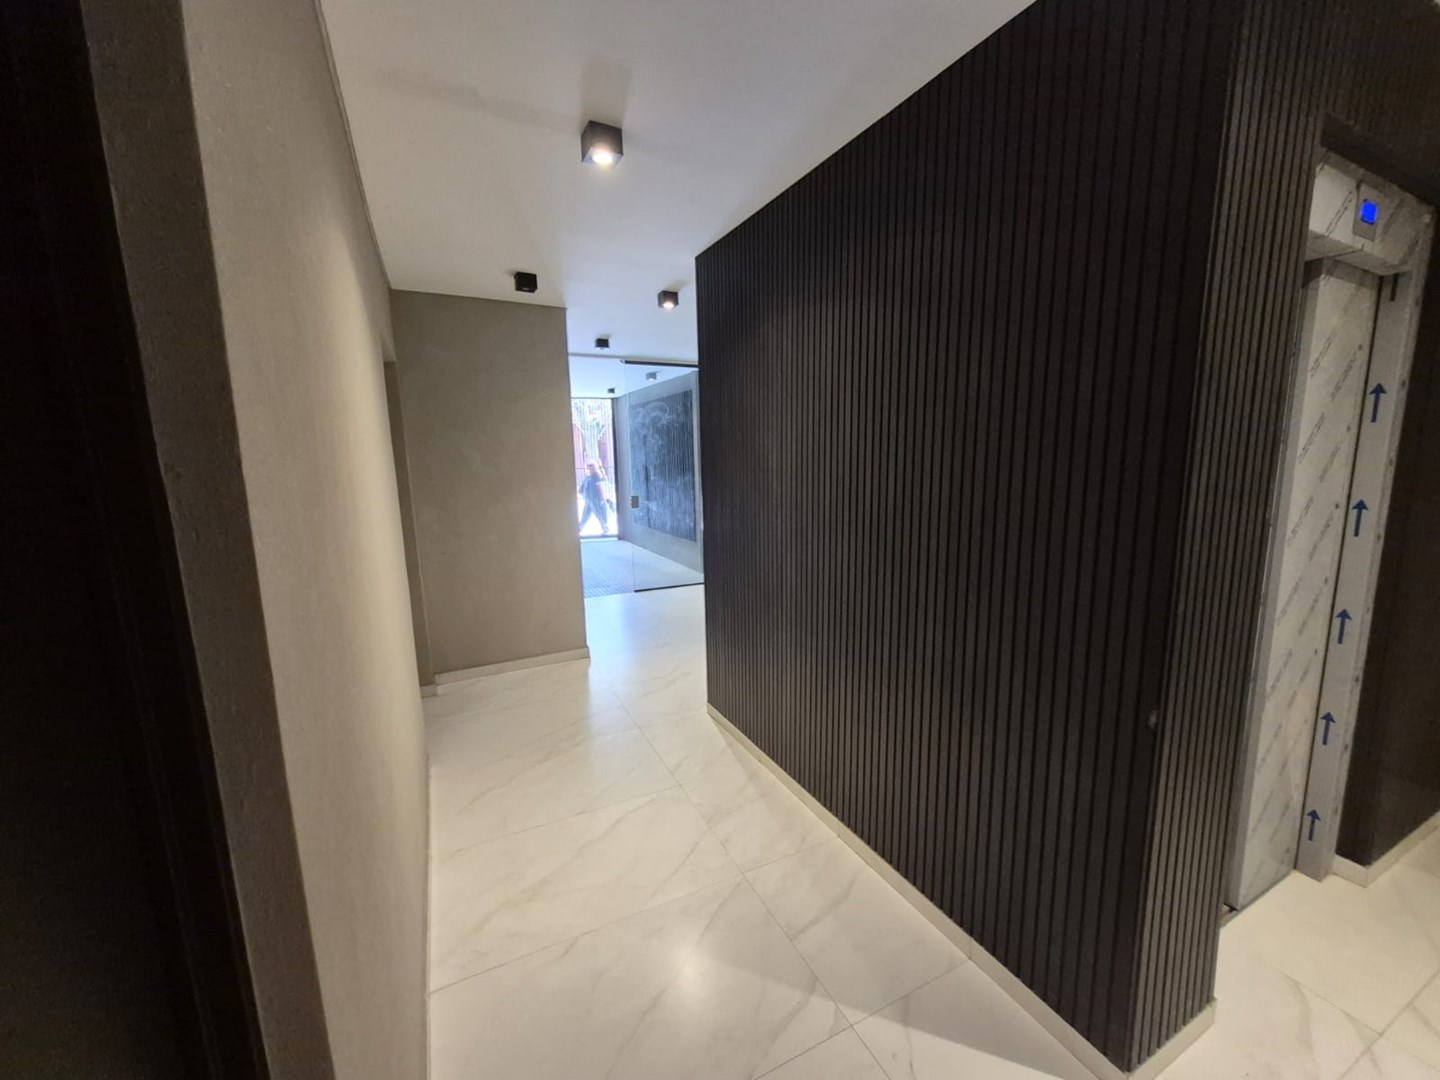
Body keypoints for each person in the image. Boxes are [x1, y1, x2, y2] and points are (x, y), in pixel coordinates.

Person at [577, 460, 610, 535]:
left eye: (591, 466)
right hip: (588, 500)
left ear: (594, 468)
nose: (590, 469)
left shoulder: (596, 476)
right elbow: (581, 489)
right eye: (588, 467)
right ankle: (579, 527)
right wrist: (584, 495)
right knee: (585, 514)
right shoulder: (587, 477)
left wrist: (601, 467)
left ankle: (605, 527)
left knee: (598, 513)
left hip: (595, 499)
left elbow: (603, 481)